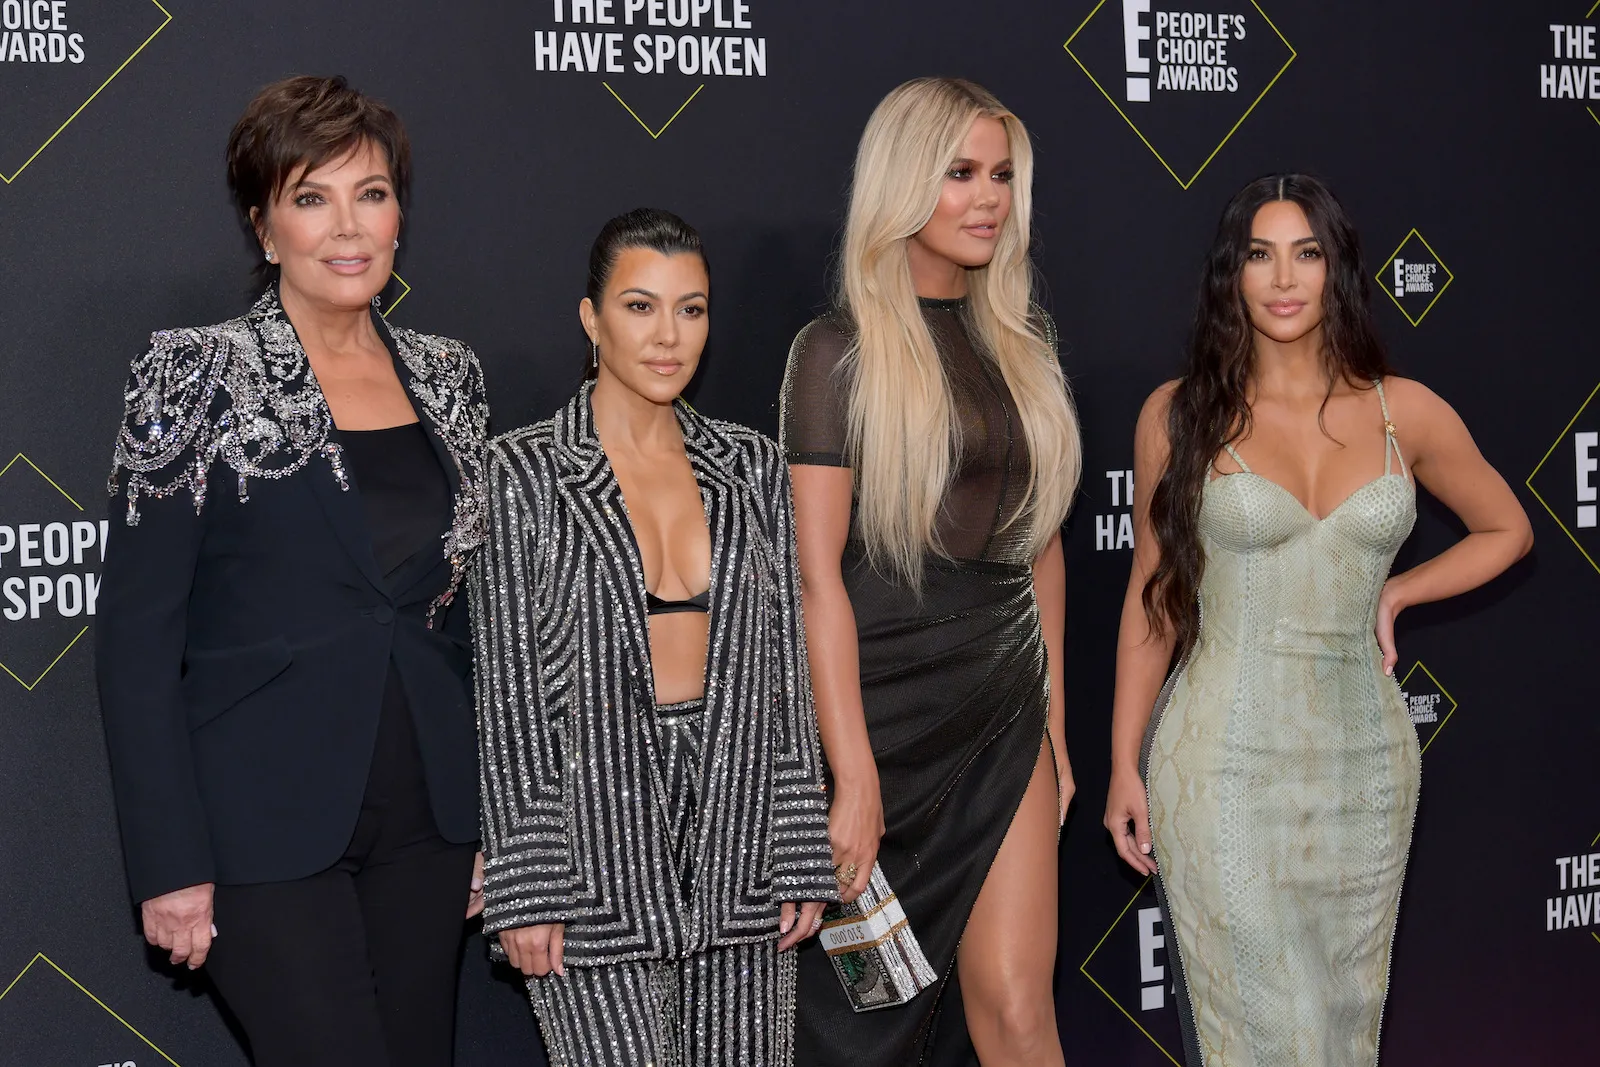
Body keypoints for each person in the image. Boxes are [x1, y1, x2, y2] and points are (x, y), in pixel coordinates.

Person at [96, 75, 490, 1067]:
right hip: (256, 823)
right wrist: (168, 862)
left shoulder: (448, 376)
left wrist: (494, 817)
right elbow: (137, 642)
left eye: (372, 192)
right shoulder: (192, 375)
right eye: (311, 197)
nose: (347, 226)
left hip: (429, 819)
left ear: (401, 210)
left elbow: (473, 618)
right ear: (265, 227)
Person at [1103, 173, 1533, 1067]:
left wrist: (1400, 590)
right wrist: (1122, 763)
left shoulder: (1401, 410)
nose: (1285, 277)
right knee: (1259, 1031)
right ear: (1232, 274)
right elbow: (1154, 599)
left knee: (1342, 1025)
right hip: (1220, 762)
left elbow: (1510, 528)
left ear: (1339, 270)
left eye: (1307, 253)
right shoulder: (1178, 417)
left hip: (1364, 767)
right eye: (1260, 254)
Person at [472, 208, 837, 1066]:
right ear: (591, 319)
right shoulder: (524, 471)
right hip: (590, 837)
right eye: (640, 307)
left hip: (740, 823)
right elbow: (510, 690)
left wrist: (794, 842)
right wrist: (527, 879)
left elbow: (781, 668)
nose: (669, 336)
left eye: (692, 308)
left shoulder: (750, 465)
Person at [781, 77, 1081, 1066]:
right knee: (860, 1017)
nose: (988, 197)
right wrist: (852, 770)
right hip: (881, 712)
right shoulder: (838, 352)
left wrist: (1055, 727)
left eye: (1001, 174)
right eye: (959, 172)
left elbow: (1040, 546)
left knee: (1015, 1005)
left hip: (1002, 706)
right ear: (905, 182)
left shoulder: (1021, 354)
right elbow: (815, 576)